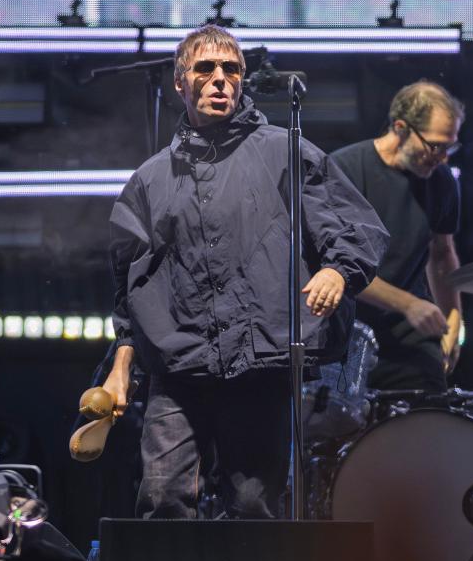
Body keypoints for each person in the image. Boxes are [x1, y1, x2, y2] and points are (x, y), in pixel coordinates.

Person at [104, 25, 388, 519]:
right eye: (205, 69)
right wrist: (119, 365)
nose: (219, 79)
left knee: (256, 505)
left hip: (260, 364)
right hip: (178, 368)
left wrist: (339, 272)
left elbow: (354, 223)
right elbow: (128, 284)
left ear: (243, 81)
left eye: (230, 70)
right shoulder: (149, 180)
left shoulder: (285, 150)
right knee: (160, 498)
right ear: (180, 82)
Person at [330, 81, 464, 393]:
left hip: (409, 336)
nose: (442, 158)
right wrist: (409, 304)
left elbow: (443, 255)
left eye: (450, 147)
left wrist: (452, 321)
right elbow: (337, 266)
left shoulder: (441, 181)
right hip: (344, 333)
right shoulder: (345, 169)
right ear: (401, 128)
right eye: (435, 146)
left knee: (432, 418)